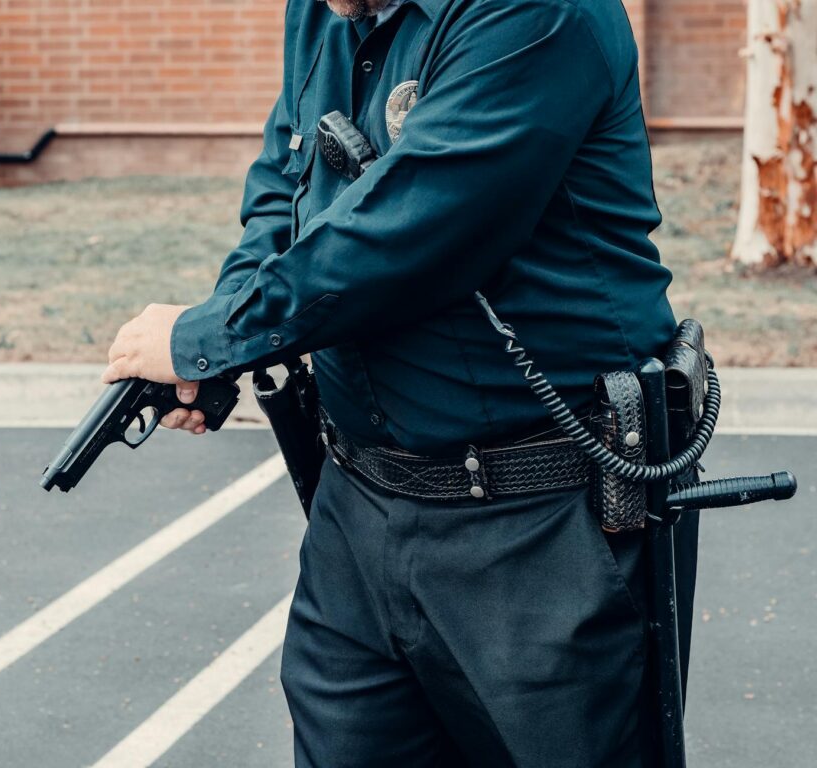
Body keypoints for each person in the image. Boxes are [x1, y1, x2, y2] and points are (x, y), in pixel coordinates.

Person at [102, 0, 696, 764]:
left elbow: (413, 228)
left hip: (541, 519)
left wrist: (206, 337)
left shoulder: (537, 13)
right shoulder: (325, 10)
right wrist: (220, 345)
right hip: (358, 509)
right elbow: (288, 185)